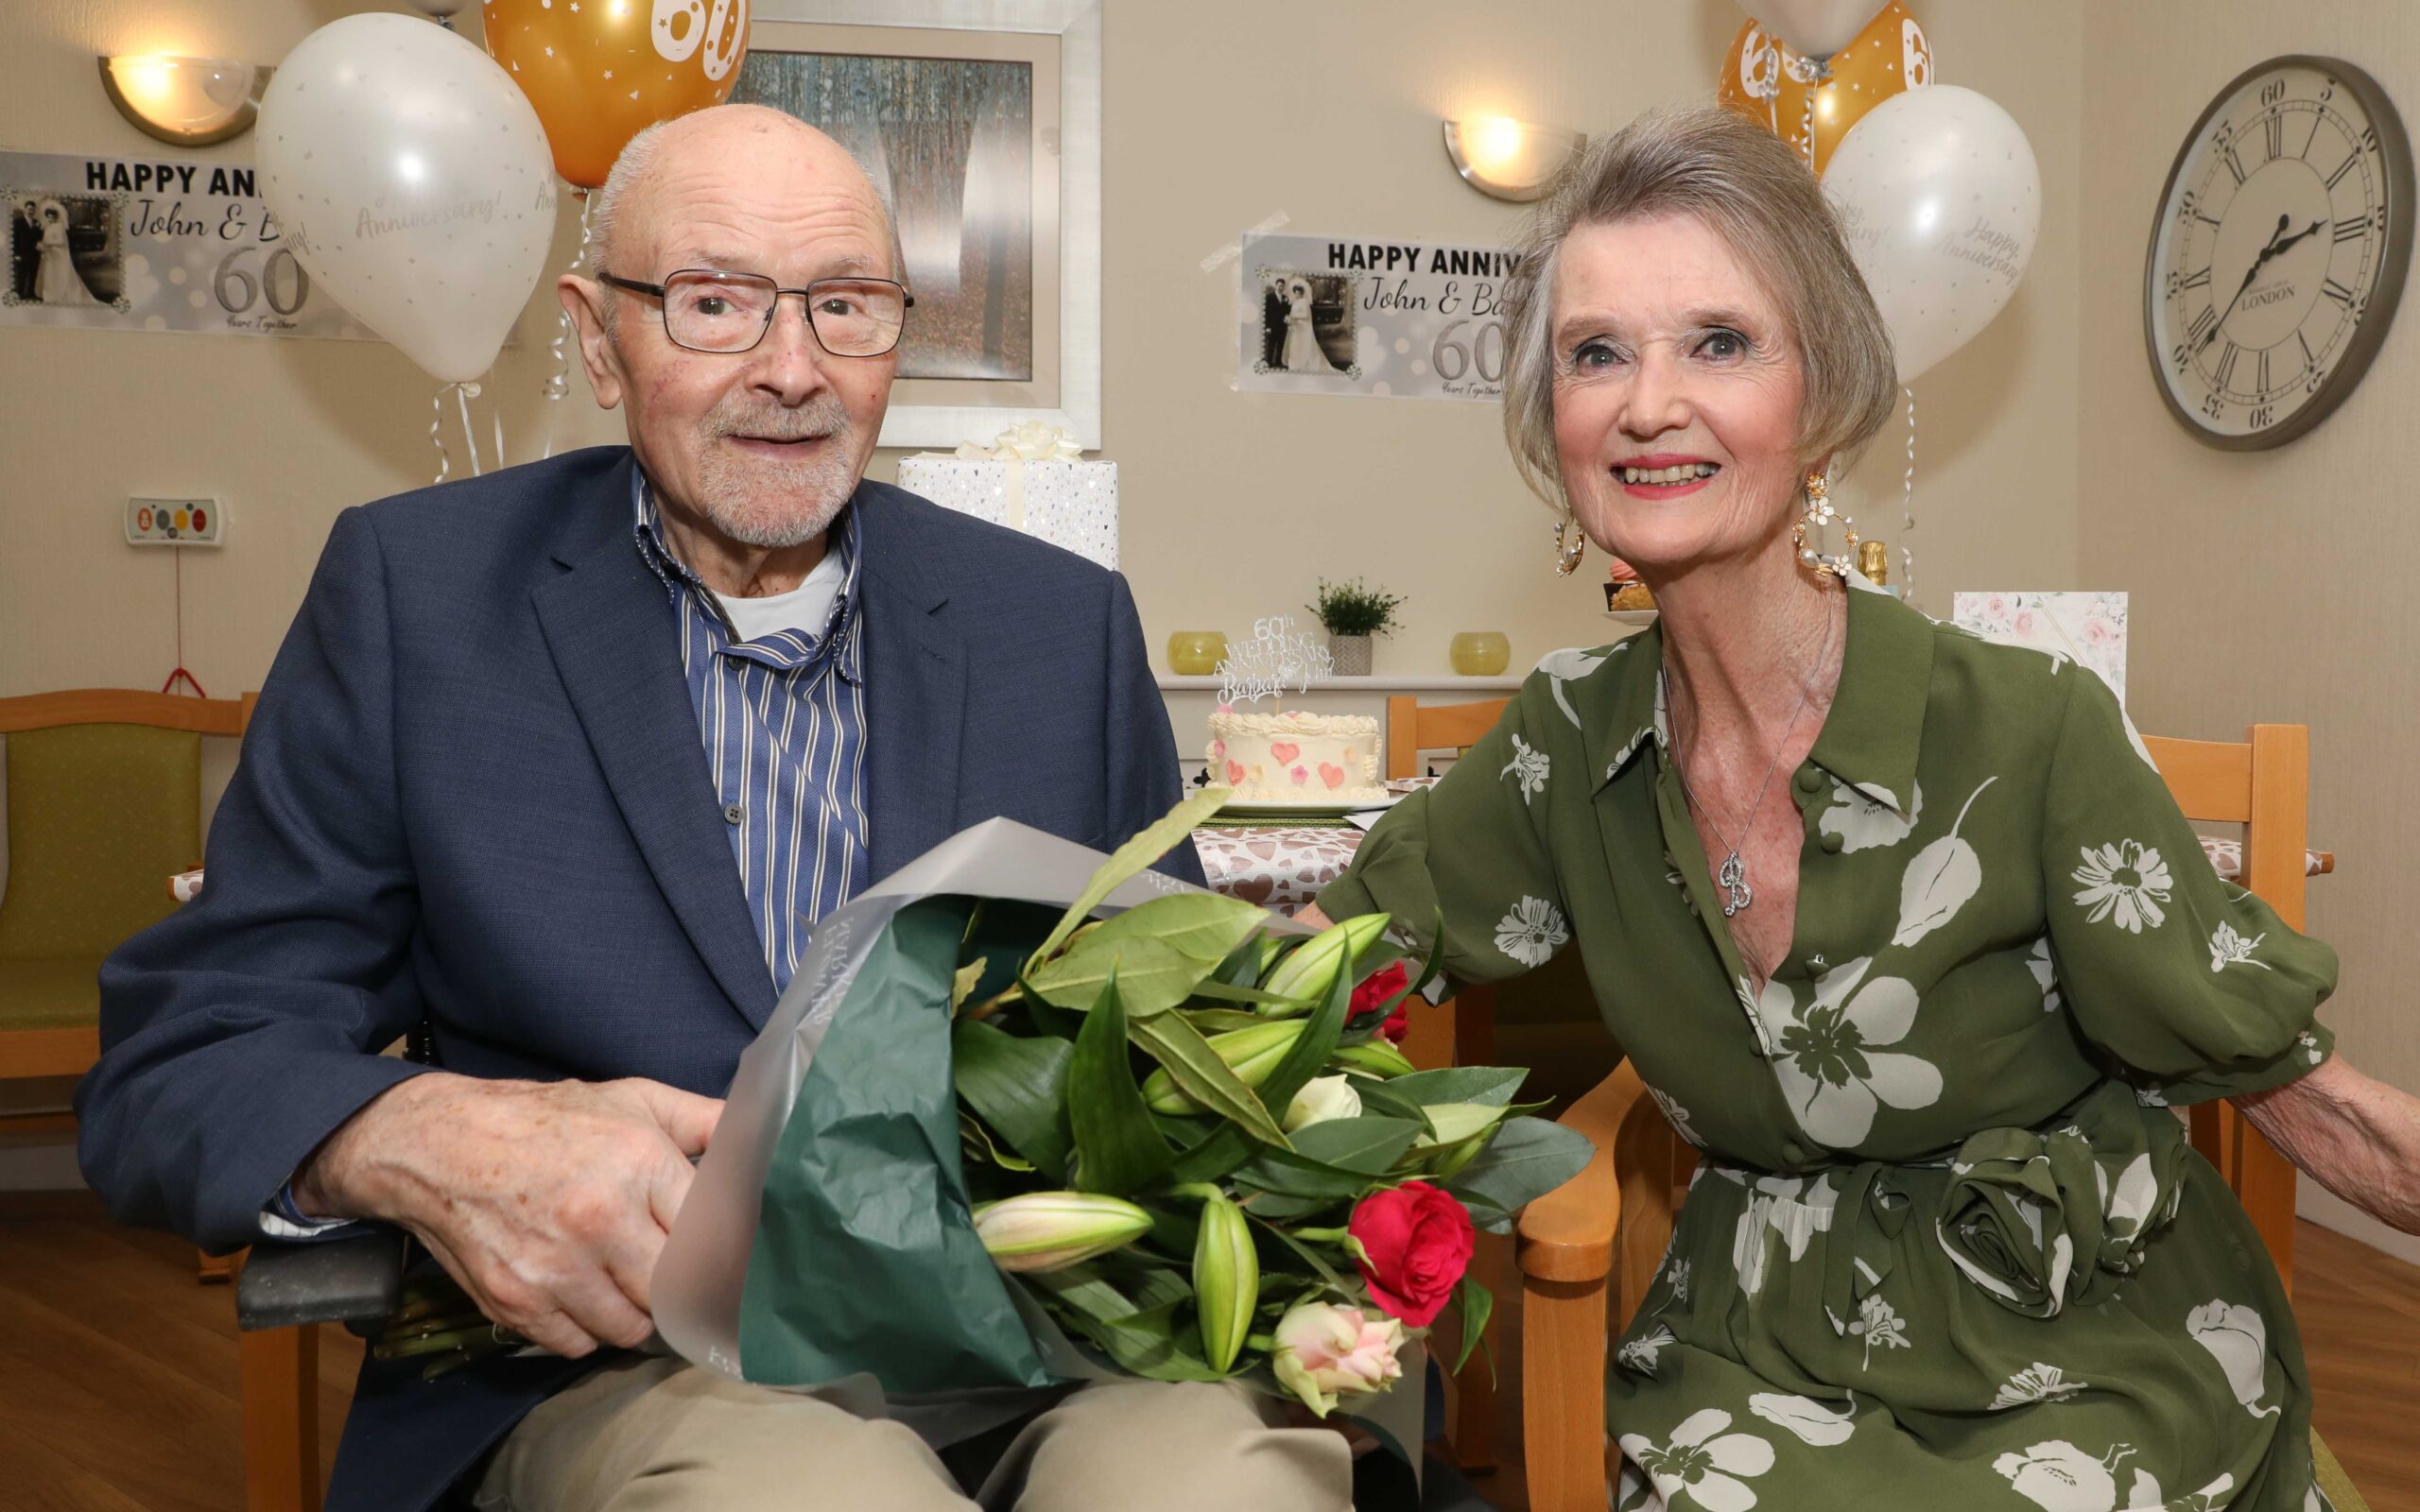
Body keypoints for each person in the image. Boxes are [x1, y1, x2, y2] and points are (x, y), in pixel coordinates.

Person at [78, 106, 1353, 1512]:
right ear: (596, 335)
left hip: (1032, 1335)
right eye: (714, 304)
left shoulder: (1059, 624)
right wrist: (417, 1136)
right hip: (606, 1361)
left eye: (846, 308)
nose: (791, 371)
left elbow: (1163, 1039)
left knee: (1226, 1485)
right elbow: (183, 1056)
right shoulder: (418, 601)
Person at [1300, 104, 2420, 1510]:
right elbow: (1320, 974)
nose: (1649, 402)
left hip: (2078, 1333)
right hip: (1757, 1342)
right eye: (1598, 354)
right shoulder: (1566, 738)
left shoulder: (2030, 727)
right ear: (1555, 424)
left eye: (1719, 341)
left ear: (1818, 396)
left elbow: (2318, 1109)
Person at [1280, 275, 1338, 374]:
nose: (1297, 294)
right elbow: (1292, 314)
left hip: (1302, 328)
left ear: (1302, 293)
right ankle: (1295, 364)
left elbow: (1306, 315)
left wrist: (1294, 318)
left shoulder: (1304, 302)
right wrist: (1288, 319)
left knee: (1302, 346)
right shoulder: (1295, 302)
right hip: (1296, 328)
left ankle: (1303, 364)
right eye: (1296, 292)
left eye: (1299, 292)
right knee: (1295, 346)